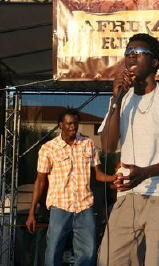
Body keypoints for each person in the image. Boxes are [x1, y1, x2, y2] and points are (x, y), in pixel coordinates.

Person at [97, 33, 159, 266]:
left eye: (138, 52)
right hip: (128, 196)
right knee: (109, 260)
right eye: (128, 52)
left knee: (156, 262)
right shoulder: (122, 99)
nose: (131, 55)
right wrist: (116, 100)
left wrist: (145, 172)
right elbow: (109, 146)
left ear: (155, 62)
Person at [25, 108, 116, 266]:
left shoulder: (88, 144)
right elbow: (40, 181)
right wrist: (32, 212)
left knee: (87, 253)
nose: (73, 127)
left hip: (84, 206)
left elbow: (98, 174)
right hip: (60, 206)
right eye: (69, 124)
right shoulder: (48, 148)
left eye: (75, 123)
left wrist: (115, 178)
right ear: (61, 125)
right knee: (53, 251)